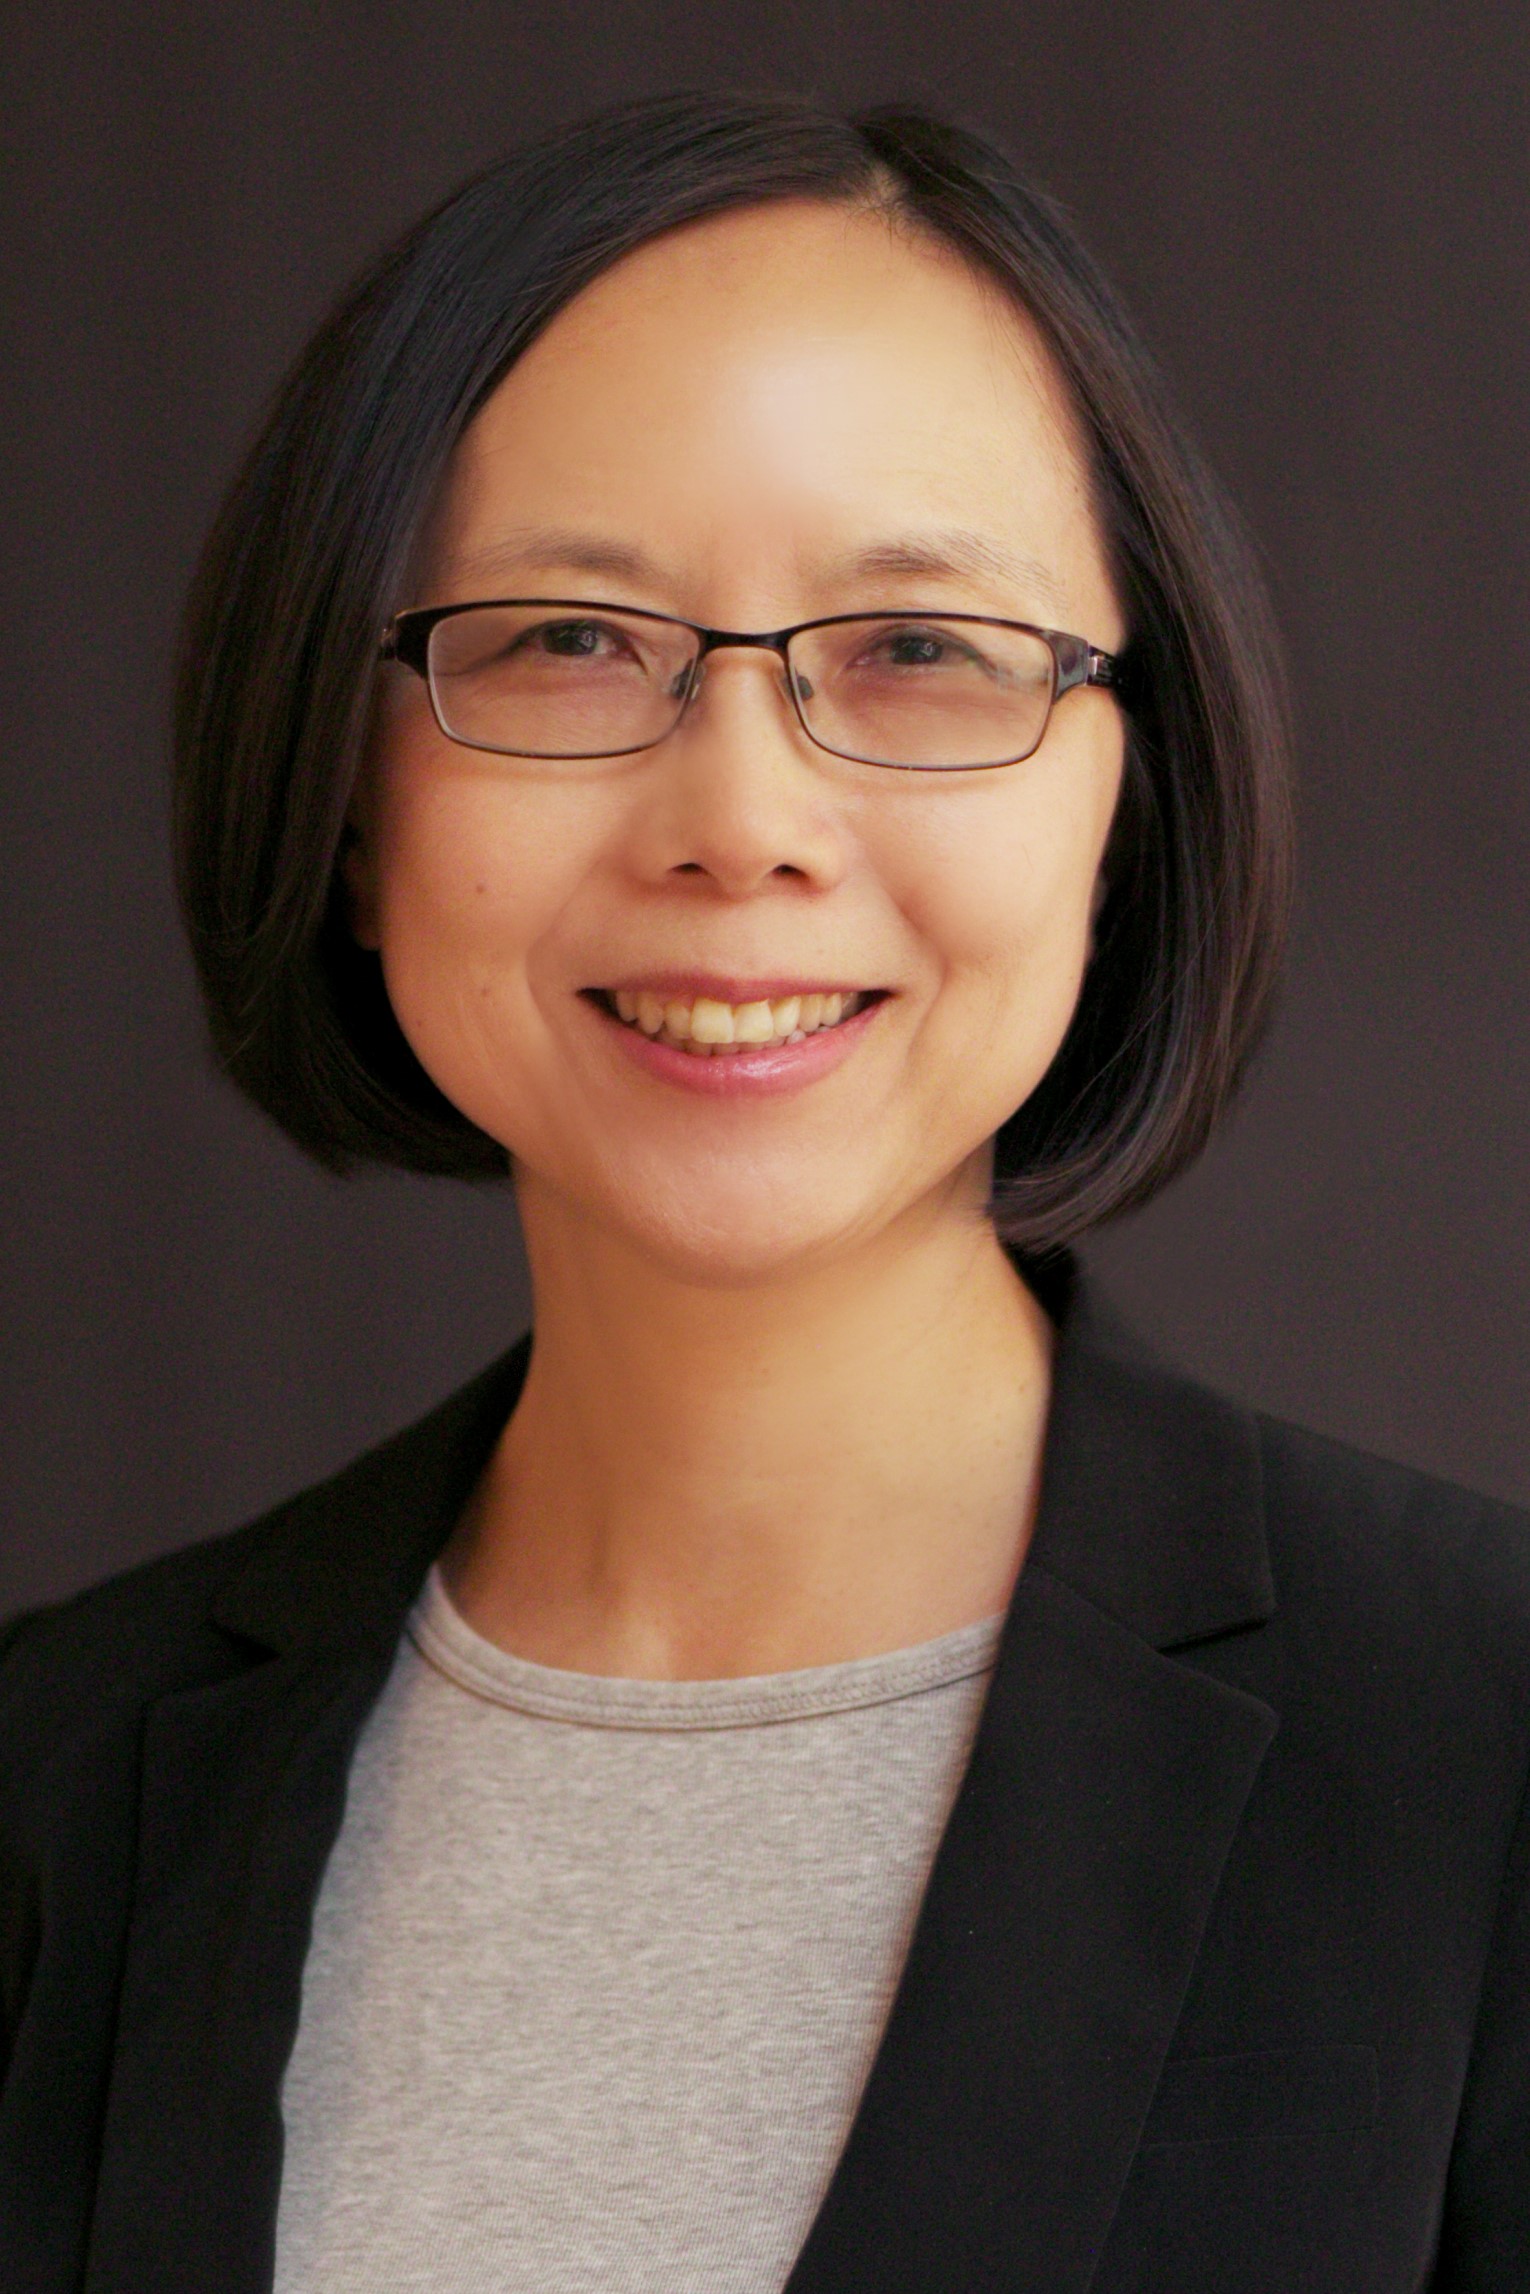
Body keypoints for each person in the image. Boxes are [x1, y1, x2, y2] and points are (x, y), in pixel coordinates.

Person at [2, 90, 1526, 2294]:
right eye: (564, 641)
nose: (744, 817)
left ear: (1128, 795)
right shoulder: (56, 1786)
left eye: (917, 651)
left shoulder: (1478, 1753)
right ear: (350, 807)